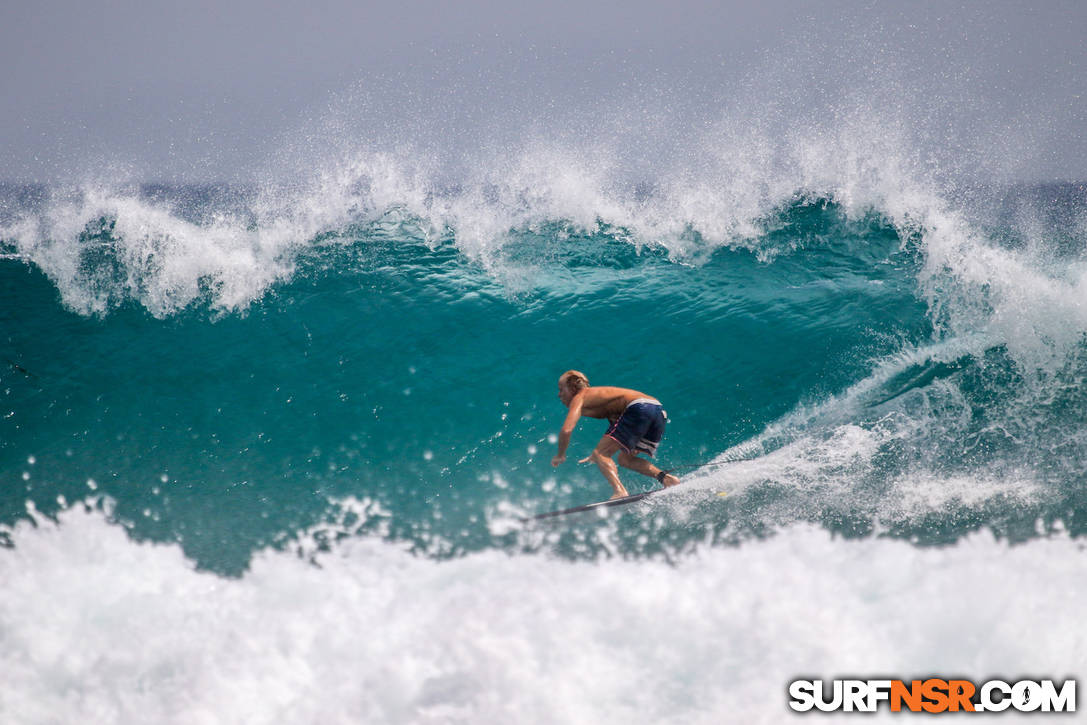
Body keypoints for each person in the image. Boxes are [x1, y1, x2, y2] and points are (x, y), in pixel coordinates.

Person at [551, 370, 681, 499]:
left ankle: (620, 491)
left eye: (561, 389)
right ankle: (667, 479)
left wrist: (560, 455)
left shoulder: (580, 397)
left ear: (573, 388)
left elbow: (566, 430)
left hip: (639, 408)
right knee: (625, 459)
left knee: (601, 454)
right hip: (657, 410)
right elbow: (618, 424)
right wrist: (602, 451)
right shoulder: (599, 396)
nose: (559, 395)